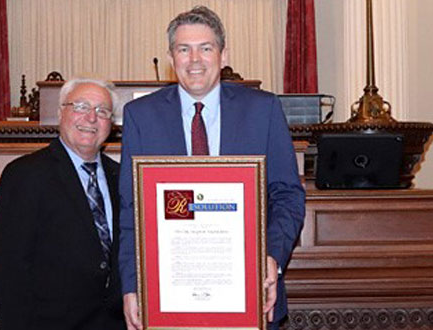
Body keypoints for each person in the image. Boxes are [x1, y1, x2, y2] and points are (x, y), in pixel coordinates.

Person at [118, 6, 305, 330]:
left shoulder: (264, 109)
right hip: (167, 297)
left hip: (249, 292)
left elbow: (287, 195)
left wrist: (271, 256)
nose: (194, 60)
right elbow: (131, 209)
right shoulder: (140, 116)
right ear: (171, 57)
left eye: (205, 48)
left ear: (223, 54)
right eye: (183, 49)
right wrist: (132, 283)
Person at [0, 78, 126, 330]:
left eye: (102, 111)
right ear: (61, 113)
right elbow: (8, 270)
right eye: (81, 107)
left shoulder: (122, 178)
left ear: (112, 125)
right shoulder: (25, 175)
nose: (91, 118)